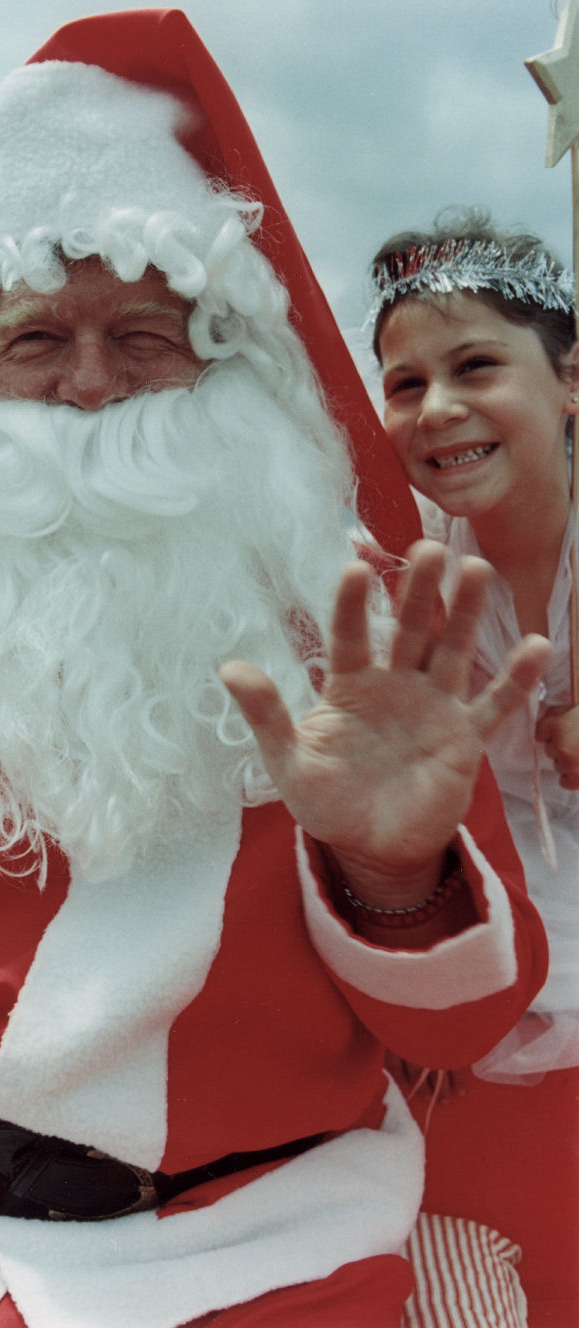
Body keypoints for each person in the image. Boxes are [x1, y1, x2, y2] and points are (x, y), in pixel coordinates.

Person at [0, 14, 551, 1328]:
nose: (92, 387)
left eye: (146, 337)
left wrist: (396, 878)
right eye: (38, 340)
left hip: (282, 1245)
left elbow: (464, 1030)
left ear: (233, 363)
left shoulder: (363, 627)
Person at [369, 209, 579, 1320]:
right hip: (490, 957)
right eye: (405, 384)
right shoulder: (404, 559)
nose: (439, 407)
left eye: (476, 366)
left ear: (569, 380)